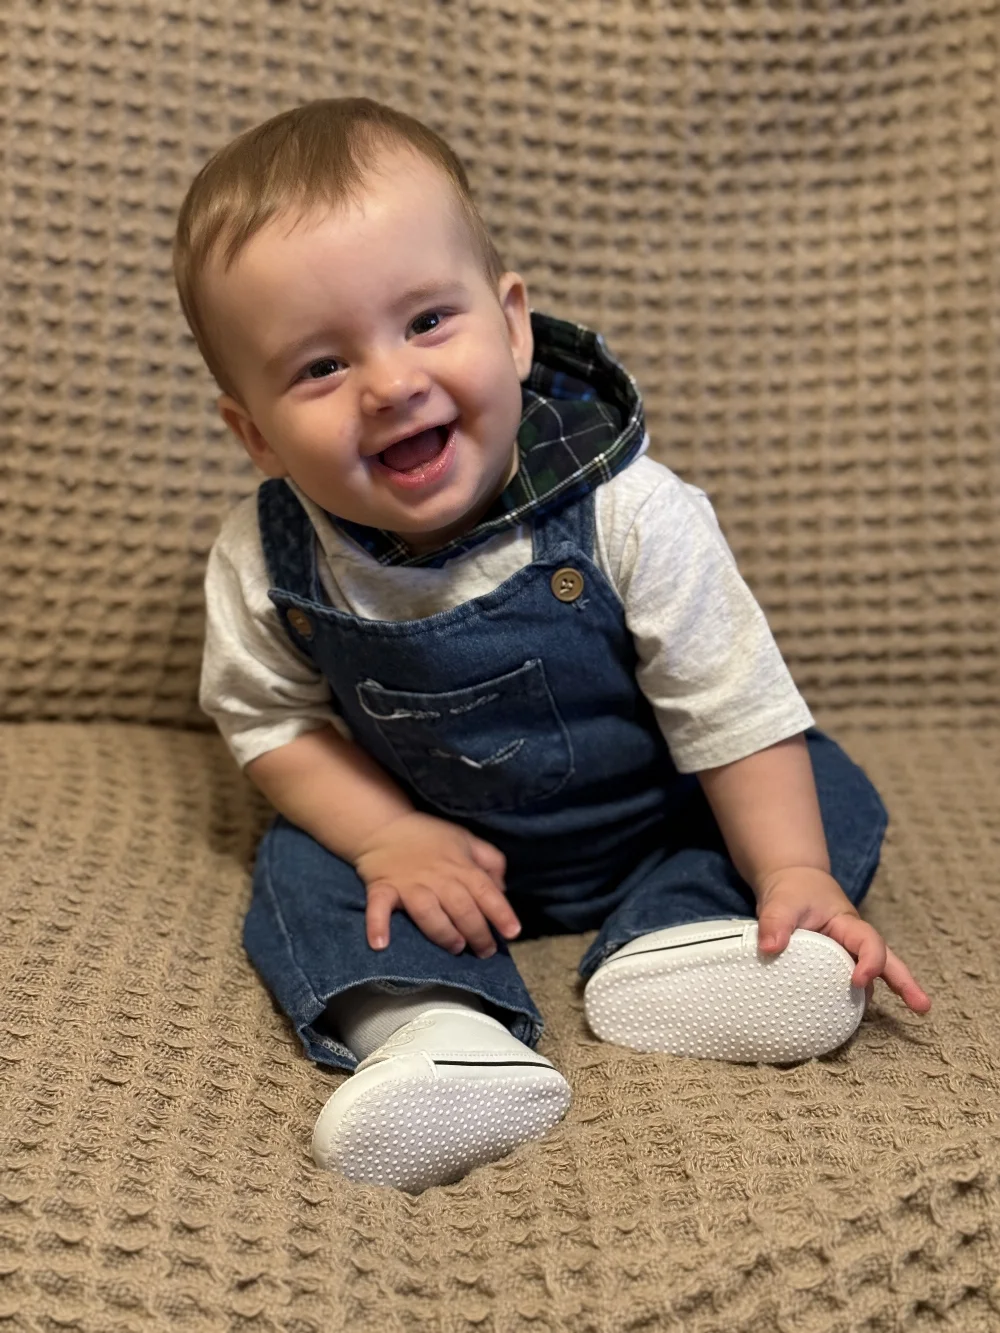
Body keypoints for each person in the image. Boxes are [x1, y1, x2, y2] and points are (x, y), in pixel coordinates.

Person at [174, 97, 931, 1194]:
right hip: (439, 855)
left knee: (817, 782)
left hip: (662, 818)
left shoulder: (631, 511)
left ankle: (685, 941)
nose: (391, 383)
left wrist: (795, 870)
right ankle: (437, 1032)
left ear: (513, 324)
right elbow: (268, 720)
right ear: (253, 431)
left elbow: (731, 705)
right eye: (320, 367)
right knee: (301, 863)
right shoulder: (267, 559)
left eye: (427, 321)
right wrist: (387, 836)